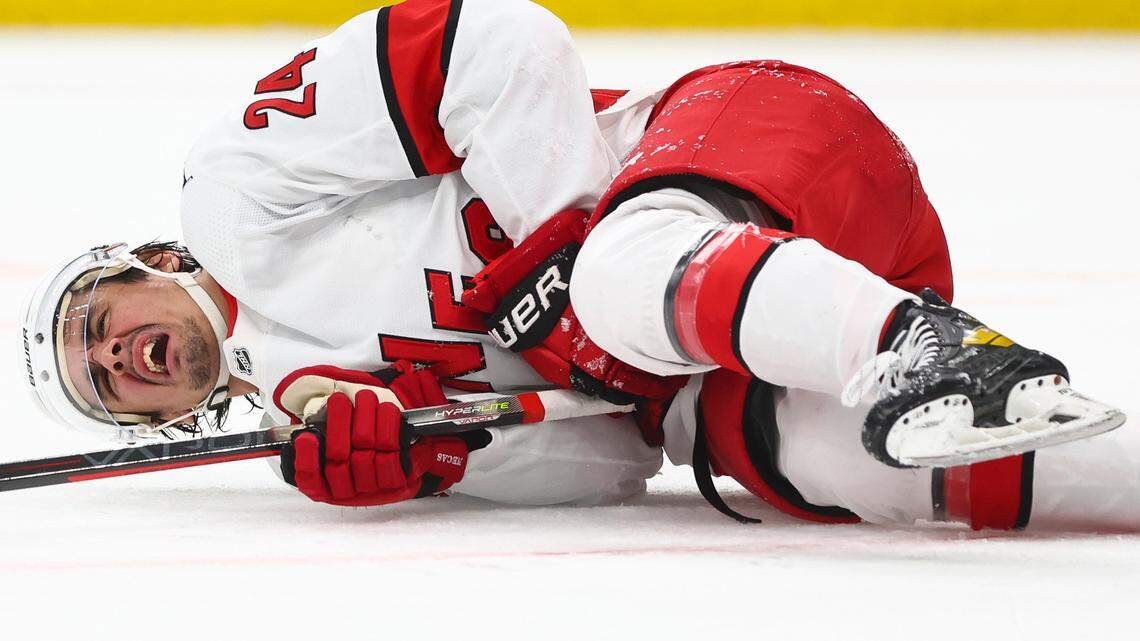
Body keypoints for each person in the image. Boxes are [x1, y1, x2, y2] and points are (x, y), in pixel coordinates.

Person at [20, 0, 1131, 530]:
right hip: (759, 326)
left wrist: (549, 260)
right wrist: (430, 459)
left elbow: (498, 44)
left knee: (613, 277)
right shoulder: (314, 417)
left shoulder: (234, 191)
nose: (117, 354)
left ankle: (917, 344)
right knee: (833, 456)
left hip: (743, 150)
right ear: (155, 416)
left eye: (97, 321)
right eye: (103, 381)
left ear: (152, 260)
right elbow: (609, 457)